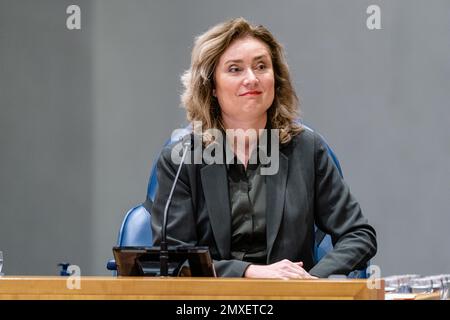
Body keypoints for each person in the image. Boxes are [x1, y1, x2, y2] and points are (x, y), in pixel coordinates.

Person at [151, 17, 377, 279]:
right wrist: (248, 272)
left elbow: (359, 235)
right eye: (235, 69)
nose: (252, 79)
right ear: (211, 86)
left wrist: (312, 282)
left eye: (261, 66)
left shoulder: (306, 149)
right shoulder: (182, 160)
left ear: (275, 78)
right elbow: (174, 260)